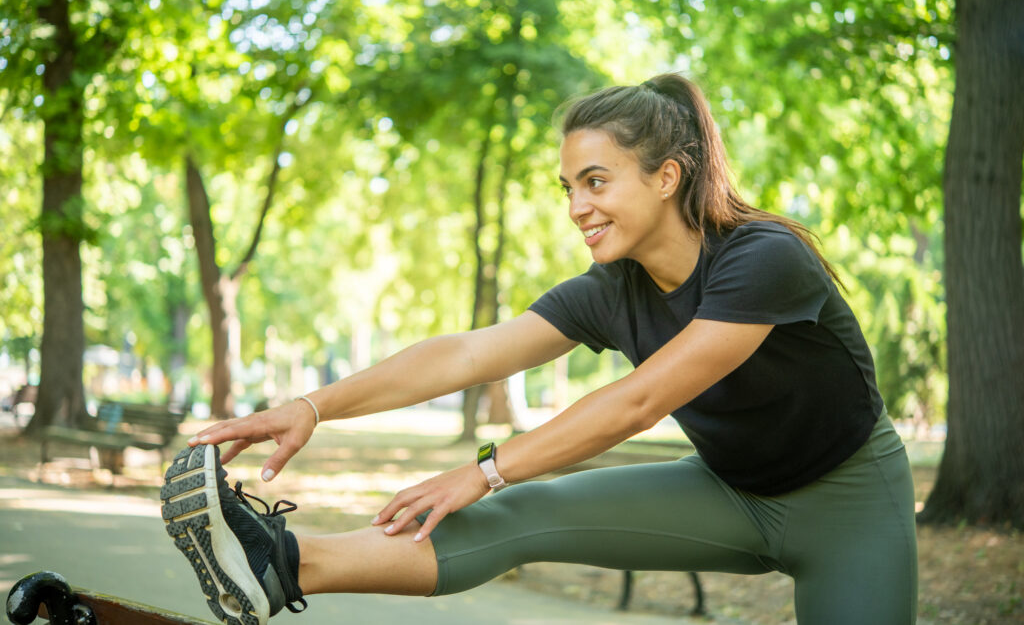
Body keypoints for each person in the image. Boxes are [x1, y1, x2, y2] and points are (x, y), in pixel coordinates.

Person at [160, 73, 918, 625]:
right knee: (515, 516)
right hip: (728, 492)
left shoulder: (763, 257)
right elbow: (463, 355)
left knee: (494, 492)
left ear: (666, 176)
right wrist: (311, 406)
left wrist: (483, 469)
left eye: (595, 181)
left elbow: (642, 399)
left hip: (849, 501)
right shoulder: (611, 288)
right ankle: (279, 564)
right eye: (566, 187)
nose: (577, 207)